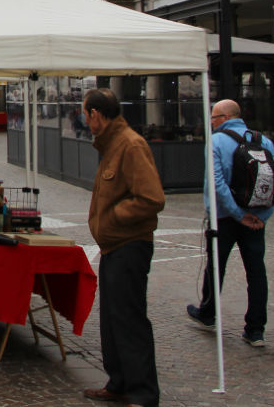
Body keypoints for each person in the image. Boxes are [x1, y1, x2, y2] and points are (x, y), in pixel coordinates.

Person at [83, 87, 165, 407]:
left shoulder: (131, 144)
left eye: (86, 115)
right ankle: (119, 381)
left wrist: (114, 219)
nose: (85, 122)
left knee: (129, 319)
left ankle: (144, 392)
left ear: (96, 115)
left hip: (130, 245)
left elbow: (151, 198)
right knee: (112, 319)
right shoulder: (112, 145)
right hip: (113, 246)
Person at [186, 99, 274, 348]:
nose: (212, 122)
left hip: (225, 217)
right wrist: (261, 216)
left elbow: (216, 185)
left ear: (225, 117)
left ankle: (208, 313)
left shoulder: (216, 141)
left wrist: (238, 214)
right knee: (256, 272)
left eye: (214, 117)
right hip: (256, 219)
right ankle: (256, 329)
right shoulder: (264, 141)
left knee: (215, 266)